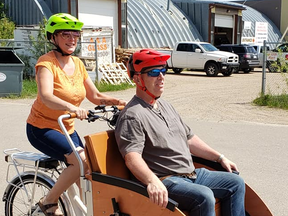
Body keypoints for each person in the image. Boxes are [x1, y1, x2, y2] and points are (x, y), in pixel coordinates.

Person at [114, 49, 245, 216]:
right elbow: (132, 158)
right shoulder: (132, 115)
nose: (161, 77)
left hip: (191, 174)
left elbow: (189, 139)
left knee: (236, 183)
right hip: (166, 179)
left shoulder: (166, 106)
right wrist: (152, 181)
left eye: (163, 71)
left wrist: (219, 157)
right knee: (205, 196)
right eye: (154, 72)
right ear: (138, 78)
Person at [26, 13, 126, 216]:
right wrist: (72, 109)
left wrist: (118, 102)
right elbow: (46, 96)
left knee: (89, 172)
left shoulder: (78, 64)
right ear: (53, 37)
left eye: (75, 35)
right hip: (42, 128)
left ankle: (90, 211)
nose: (72, 40)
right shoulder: (46, 64)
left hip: (67, 128)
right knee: (80, 161)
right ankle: (49, 202)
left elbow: (95, 95)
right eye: (65, 34)